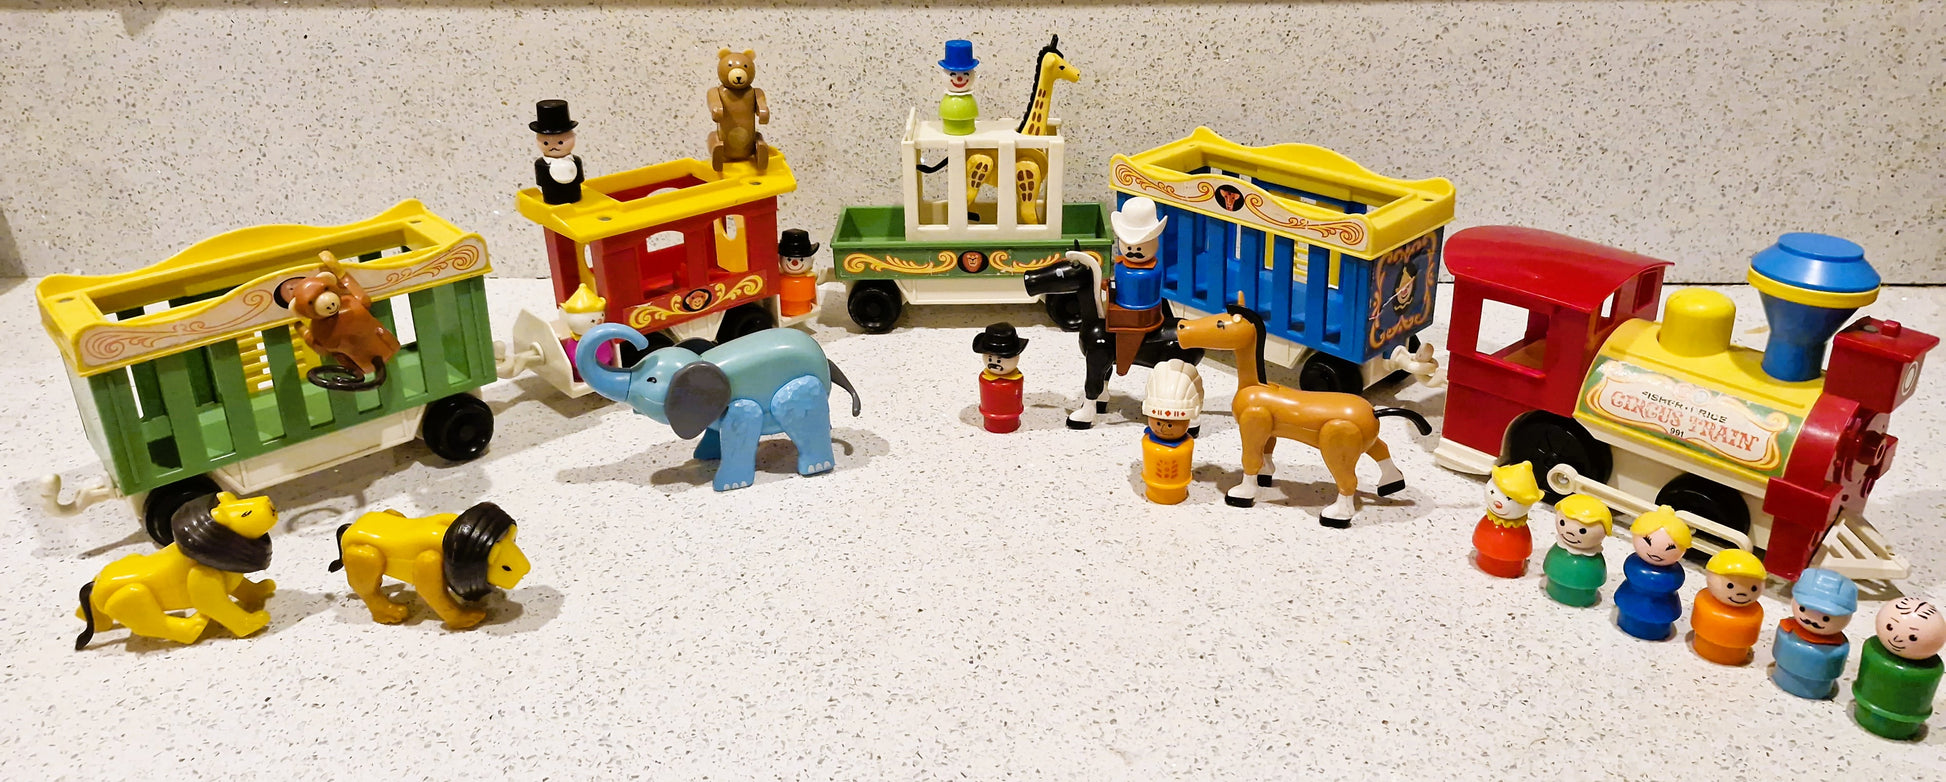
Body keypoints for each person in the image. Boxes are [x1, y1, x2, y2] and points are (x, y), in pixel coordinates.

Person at [1853, 597, 1946, 740]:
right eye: (1890, 627)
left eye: (1913, 637)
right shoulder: (1874, 652)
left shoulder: (1930, 670)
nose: (1896, 639)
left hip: (1904, 722)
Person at [1770, 568, 1857, 699]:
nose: (1812, 620)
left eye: (1826, 618)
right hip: (1781, 674)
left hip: (1819, 688)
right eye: (1803, 609)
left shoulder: (1838, 648)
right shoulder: (1787, 630)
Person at [1612, 507, 1692, 641]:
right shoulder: (1633, 565)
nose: (1656, 552)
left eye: (1670, 547)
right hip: (1630, 604)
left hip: (1661, 611)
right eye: (1647, 541)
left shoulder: (1674, 575)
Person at [1140, 360, 1202, 504]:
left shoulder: (1186, 445)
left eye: (1170, 425)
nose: (1162, 428)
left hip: (1179, 489)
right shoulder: (1148, 442)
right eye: (1158, 422)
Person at [1690, 549, 1766, 665]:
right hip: (1701, 645)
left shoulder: (1754, 613)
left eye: (1753, 588)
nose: (1741, 594)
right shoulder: (1705, 602)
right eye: (1730, 585)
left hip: (1737, 655)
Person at [1471, 461, 1542, 578]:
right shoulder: (1489, 521)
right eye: (1493, 492)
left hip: (1512, 568)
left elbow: (1522, 548)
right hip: (1482, 560)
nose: (1498, 502)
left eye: (1509, 499)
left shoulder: (1519, 531)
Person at [1541, 494, 1611, 607]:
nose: (1569, 532)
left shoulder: (1594, 560)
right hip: (1552, 588)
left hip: (1584, 597)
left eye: (1583, 531)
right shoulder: (1559, 549)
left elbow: (1597, 577)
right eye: (1562, 523)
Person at [973, 323, 1028, 434]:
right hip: (990, 420)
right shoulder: (985, 379)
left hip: (1012, 420)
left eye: (999, 359)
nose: (994, 363)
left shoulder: (1016, 379)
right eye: (990, 358)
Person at [532, 100, 584, 205]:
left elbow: (580, 179)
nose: (553, 147)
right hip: (551, 197)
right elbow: (541, 182)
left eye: (560, 142)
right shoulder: (541, 165)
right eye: (546, 143)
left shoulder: (576, 161)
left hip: (575, 195)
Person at [937, 40, 979, 136]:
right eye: (952, 74)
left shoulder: (969, 100)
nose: (960, 79)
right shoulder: (948, 100)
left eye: (966, 74)